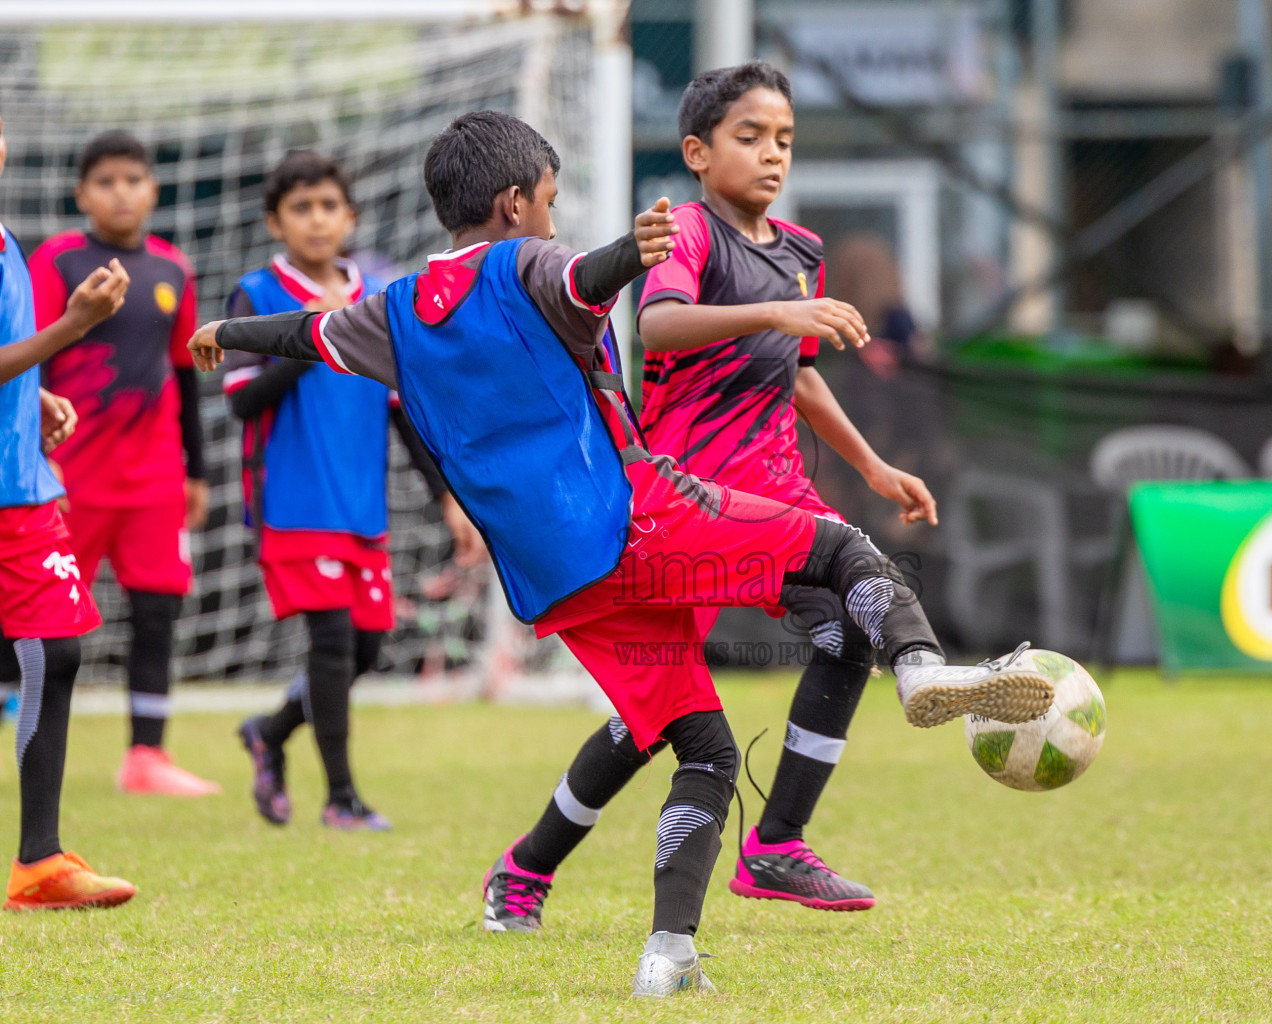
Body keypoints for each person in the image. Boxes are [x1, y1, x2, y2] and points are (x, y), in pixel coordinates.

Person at [187, 110, 1051, 996]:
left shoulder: (392, 312)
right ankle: (920, 670)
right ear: (514, 200)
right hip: (635, 520)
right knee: (840, 546)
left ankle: (667, 953)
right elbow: (580, 276)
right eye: (549, 203)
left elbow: (307, 331)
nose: (554, 221)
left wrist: (228, 332)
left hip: (556, 584)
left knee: (706, 748)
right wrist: (630, 252)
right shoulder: (531, 263)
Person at [635, 61, 938, 912]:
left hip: (775, 499)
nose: (773, 155)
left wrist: (874, 466)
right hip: (684, 500)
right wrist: (774, 313)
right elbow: (657, 324)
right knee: (645, 721)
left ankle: (776, 843)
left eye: (786, 141)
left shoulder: (802, 251)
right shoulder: (686, 233)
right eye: (751, 137)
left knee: (845, 632)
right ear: (697, 151)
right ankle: (529, 863)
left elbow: (798, 376)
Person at [223, 150, 485, 830]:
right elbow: (243, 403)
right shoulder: (256, 293)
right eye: (300, 209)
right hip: (293, 503)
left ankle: (272, 731)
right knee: (334, 644)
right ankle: (341, 799)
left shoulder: (375, 295)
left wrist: (446, 498)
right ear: (274, 222)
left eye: (328, 207)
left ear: (351, 216)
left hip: (361, 506)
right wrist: (311, 330)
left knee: (366, 647)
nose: (317, 220)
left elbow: (403, 413)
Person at [27, 131, 218, 796]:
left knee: (157, 608)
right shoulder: (55, 262)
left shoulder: (172, 268)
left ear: (153, 190)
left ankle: (146, 757)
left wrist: (197, 470)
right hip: (67, 477)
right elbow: (33, 361)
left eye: (133, 179)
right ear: (82, 194)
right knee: (34, 616)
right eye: (105, 182)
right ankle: (22, 734)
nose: (121, 193)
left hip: (157, 478)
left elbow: (186, 375)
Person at [0, 112, 139, 910]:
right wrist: (71, 329)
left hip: (21, 487)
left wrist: (32, 395)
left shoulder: (6, 237)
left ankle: (39, 864)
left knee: (55, 650)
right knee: (46, 653)